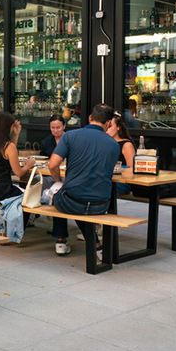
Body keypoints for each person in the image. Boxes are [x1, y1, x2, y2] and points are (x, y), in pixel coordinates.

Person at [48, 104, 120, 256]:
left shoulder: (70, 136)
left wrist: (58, 180)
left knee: (58, 193)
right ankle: (97, 246)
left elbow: (52, 164)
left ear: (89, 118)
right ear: (108, 123)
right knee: (80, 196)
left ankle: (60, 240)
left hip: (71, 202)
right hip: (100, 204)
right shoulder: (114, 145)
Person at [106, 113, 137, 197]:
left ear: (118, 128)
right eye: (106, 126)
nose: (106, 129)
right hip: (109, 179)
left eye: (110, 126)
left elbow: (131, 170)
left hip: (122, 182)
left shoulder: (126, 145)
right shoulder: (106, 143)